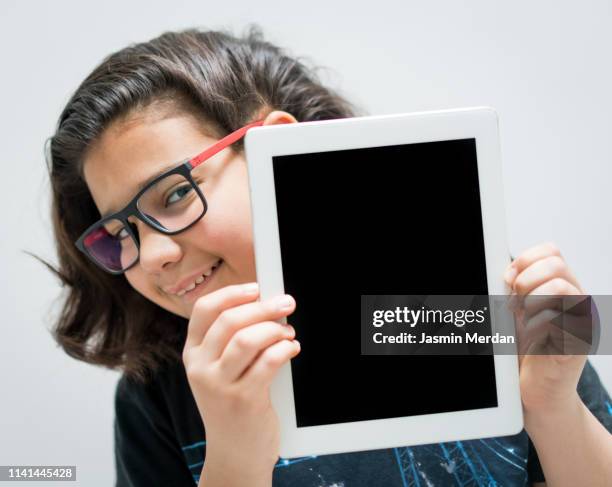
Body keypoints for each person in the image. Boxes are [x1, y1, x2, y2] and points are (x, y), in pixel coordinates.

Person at [42, 26, 612, 486]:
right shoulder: (158, 392)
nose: (153, 255)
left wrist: (553, 406)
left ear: (277, 146)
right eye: (120, 233)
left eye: (173, 194)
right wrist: (236, 458)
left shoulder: (464, 292)